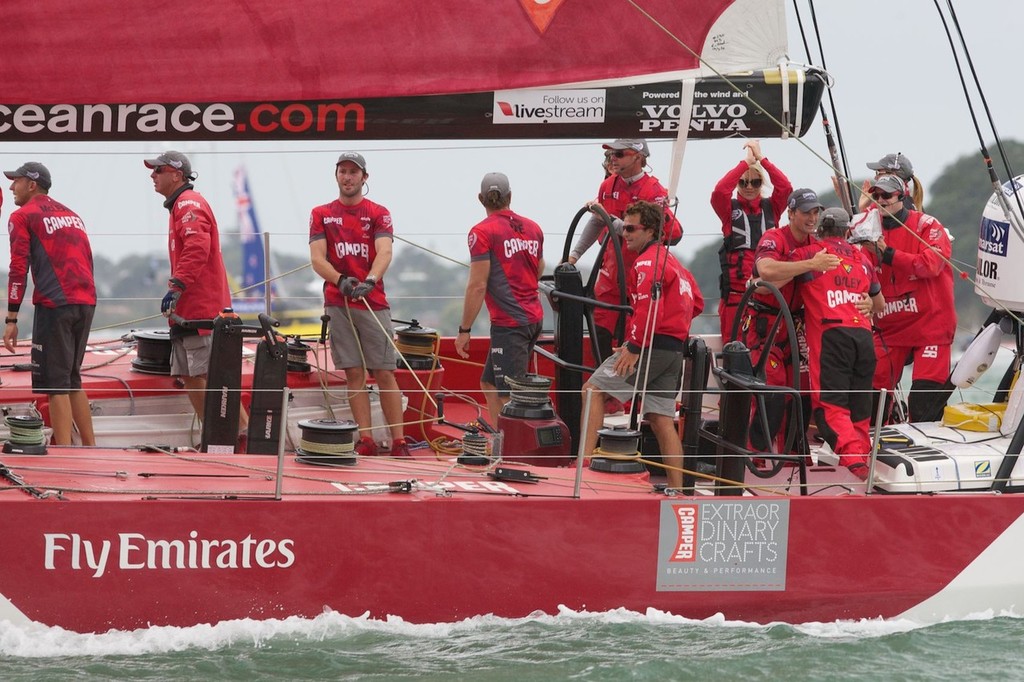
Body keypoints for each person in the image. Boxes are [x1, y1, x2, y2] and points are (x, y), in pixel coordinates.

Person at [579, 200, 702, 490]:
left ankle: (580, 472)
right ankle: (679, 490)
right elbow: (696, 303)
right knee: (660, 419)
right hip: (673, 350)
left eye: (632, 228)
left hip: (649, 348)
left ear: (651, 231)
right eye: (624, 228)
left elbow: (647, 307)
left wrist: (634, 346)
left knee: (592, 391)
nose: (625, 234)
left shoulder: (647, 263)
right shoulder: (677, 265)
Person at [309, 152, 410, 458]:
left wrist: (370, 279)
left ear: (364, 177)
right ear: (336, 175)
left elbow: (385, 251)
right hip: (338, 302)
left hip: (373, 301)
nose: (348, 177)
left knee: (384, 372)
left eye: (354, 172)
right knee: (353, 372)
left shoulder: (378, 212)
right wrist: (341, 281)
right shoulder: (321, 213)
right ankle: (364, 438)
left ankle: (399, 441)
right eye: (343, 171)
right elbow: (317, 258)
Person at [145, 151, 248, 439]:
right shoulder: (179, 205)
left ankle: (240, 435)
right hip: (189, 311)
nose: (152, 176)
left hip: (201, 310)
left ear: (176, 175)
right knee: (193, 376)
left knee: (211, 377)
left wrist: (176, 285)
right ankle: (215, 436)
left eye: (158, 171)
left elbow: (197, 248)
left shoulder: (188, 203)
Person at [3, 162, 97, 445]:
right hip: (87, 300)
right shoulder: (72, 214)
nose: (10, 187)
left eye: (15, 181)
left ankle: (66, 453)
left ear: (32, 184)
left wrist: (11, 318)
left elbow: (18, 268)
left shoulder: (22, 216)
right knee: (72, 379)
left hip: (55, 305)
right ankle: (91, 448)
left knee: (55, 385)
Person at [566, 138, 683, 363]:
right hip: (610, 275)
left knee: (629, 339)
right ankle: (600, 390)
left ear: (638, 157)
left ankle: (620, 395)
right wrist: (573, 257)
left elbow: (661, 234)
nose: (612, 159)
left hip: (641, 276)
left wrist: (609, 219)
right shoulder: (607, 186)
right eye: (611, 154)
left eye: (619, 154)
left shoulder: (655, 190)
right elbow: (597, 221)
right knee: (599, 334)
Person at [790, 208, 884, 480]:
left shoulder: (811, 255)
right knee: (860, 405)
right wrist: (866, 302)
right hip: (864, 337)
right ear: (846, 232)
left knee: (831, 405)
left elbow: (768, 277)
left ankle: (854, 460)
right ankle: (863, 462)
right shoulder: (863, 258)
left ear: (820, 230)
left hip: (832, 334)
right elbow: (879, 304)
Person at [744, 188, 839, 452]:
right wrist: (807, 265)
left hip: (798, 327)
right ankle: (755, 456)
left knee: (803, 396)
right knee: (772, 396)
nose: (812, 217)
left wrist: (868, 300)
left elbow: (840, 275)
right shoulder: (774, 238)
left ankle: (795, 458)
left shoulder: (817, 246)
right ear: (791, 213)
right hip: (766, 327)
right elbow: (765, 273)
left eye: (816, 212)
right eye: (806, 212)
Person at [454, 172, 545, 426]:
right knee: (489, 382)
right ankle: (500, 442)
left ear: (481, 199)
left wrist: (464, 330)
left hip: (510, 324)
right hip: (532, 318)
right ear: (510, 197)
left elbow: (477, 285)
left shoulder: (481, 232)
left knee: (509, 396)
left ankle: (512, 453)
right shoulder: (533, 228)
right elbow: (538, 268)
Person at [863, 174, 955, 422]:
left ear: (902, 197)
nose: (881, 200)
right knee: (870, 400)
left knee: (924, 403)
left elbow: (930, 265)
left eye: (887, 196)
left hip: (930, 325)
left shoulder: (927, 225)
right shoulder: (868, 230)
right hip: (890, 327)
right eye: (876, 196)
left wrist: (887, 253)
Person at [712, 139, 792, 340]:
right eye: (743, 182)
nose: (749, 187)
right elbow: (719, 191)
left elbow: (785, 188)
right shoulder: (728, 210)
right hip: (736, 300)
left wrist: (762, 160)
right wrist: (745, 164)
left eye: (755, 182)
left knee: (768, 352)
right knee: (735, 355)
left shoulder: (771, 207)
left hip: (769, 297)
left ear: (761, 184)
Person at [856, 152, 923, 212]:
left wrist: (864, 210)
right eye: (875, 196)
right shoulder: (912, 203)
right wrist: (864, 208)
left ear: (893, 176)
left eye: (879, 173)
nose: (875, 177)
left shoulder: (892, 206)